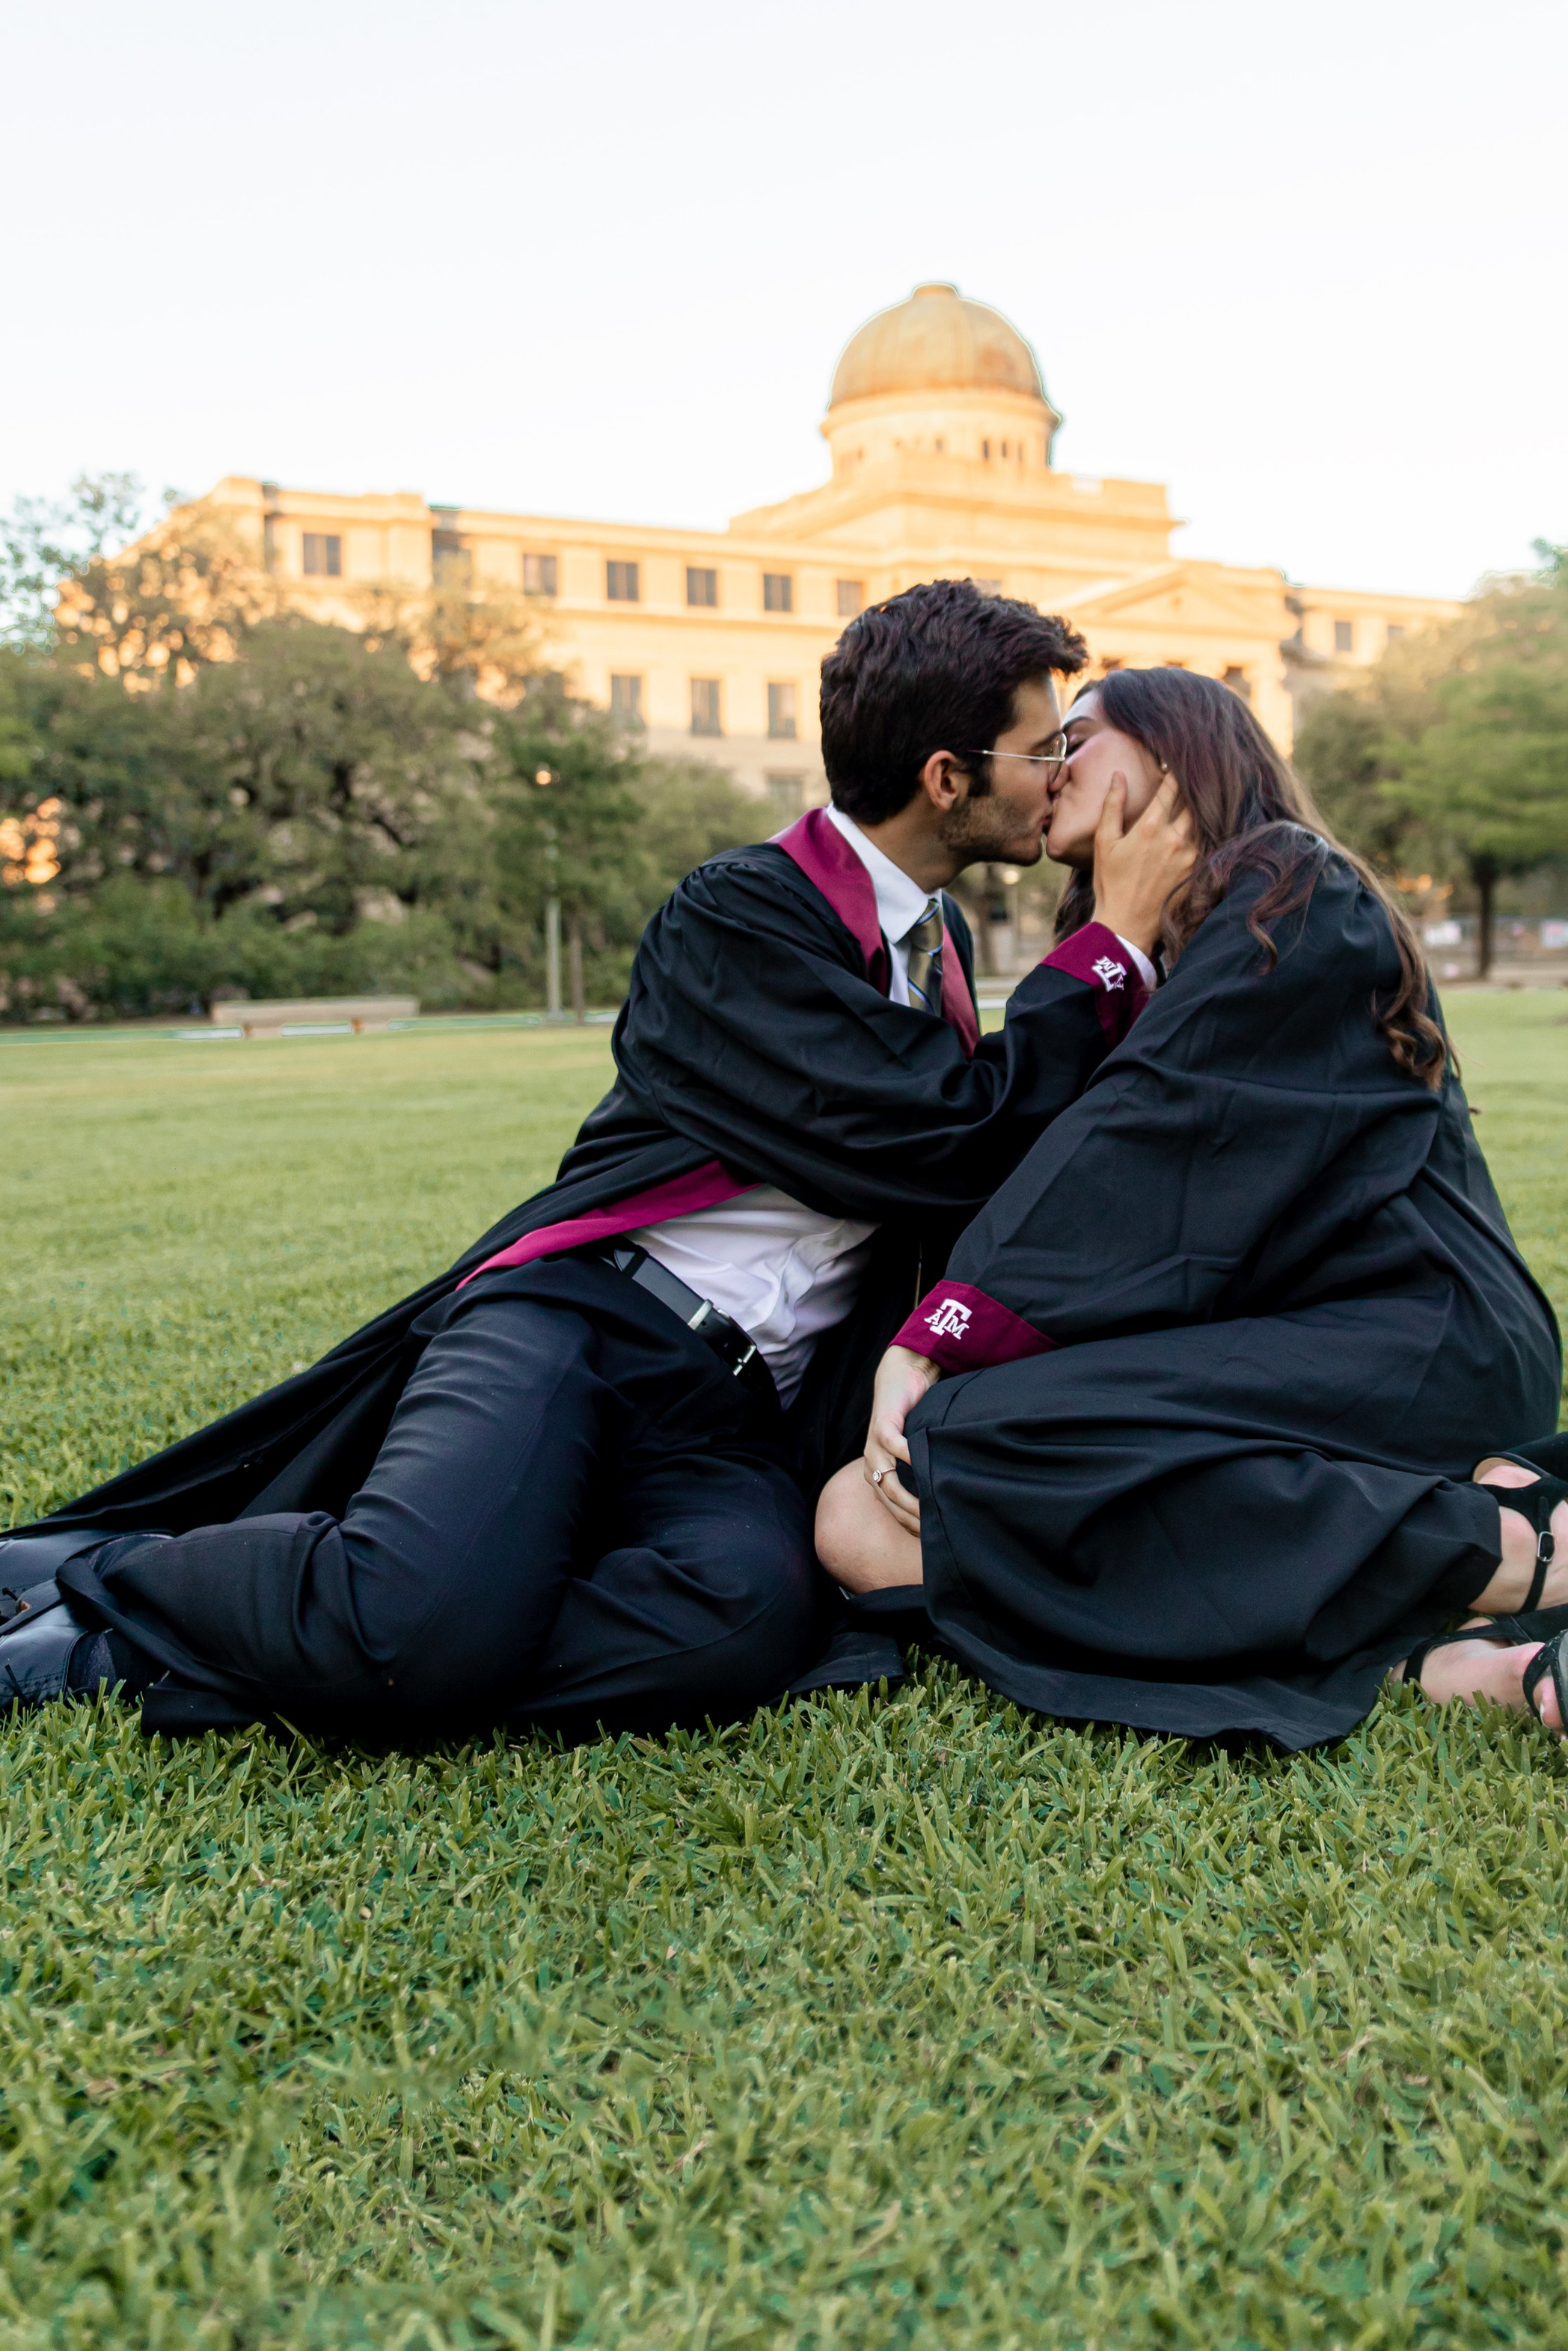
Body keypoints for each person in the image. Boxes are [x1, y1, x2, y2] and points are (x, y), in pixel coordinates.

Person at [0, 582, 1194, 1743]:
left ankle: (406, 1629)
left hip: (722, 1416)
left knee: (748, 1620)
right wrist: (1113, 945)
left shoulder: (930, 962)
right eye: (1044, 751)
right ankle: (116, 1597)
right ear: (949, 777)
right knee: (423, 1620)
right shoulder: (740, 915)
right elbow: (946, 1134)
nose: (1059, 779)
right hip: (572, 1327)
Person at [816, 667, 1568, 1757]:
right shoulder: (1153, 944)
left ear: (1175, 756)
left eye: (1079, 735)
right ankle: (1442, 1647)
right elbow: (1044, 1151)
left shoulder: (1294, 895)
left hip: (1415, 1331)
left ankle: (1509, 1546)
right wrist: (1113, 938)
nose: (1053, 765)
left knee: (965, 1440)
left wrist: (945, 1330)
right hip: (1280, 1334)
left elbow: (1144, 1147)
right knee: (859, 1518)